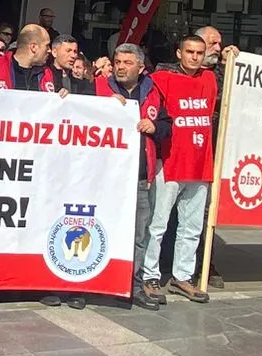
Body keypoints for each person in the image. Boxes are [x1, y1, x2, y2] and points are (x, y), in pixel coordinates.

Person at [141, 35, 227, 305]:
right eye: (189, 51)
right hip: (171, 160)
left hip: (200, 162)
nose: (194, 57)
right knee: (158, 224)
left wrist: (228, 58)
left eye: (199, 52)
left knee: (191, 226)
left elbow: (231, 86)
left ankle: (182, 276)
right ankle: (149, 274)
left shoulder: (210, 79)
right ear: (179, 53)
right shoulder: (163, 78)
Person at [96, 42, 163, 308]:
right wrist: (102, 107)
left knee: (138, 236)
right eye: (118, 62)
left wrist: (154, 127)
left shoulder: (154, 92)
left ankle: (132, 287)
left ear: (141, 67)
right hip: (103, 179)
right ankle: (92, 285)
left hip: (138, 178)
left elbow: (167, 126)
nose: (121, 67)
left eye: (127, 63)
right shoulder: (98, 86)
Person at [0, 25, 59, 91]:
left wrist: (62, 97)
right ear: (33, 47)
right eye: (47, 45)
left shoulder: (46, 72)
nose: (49, 50)